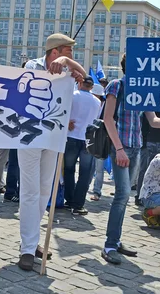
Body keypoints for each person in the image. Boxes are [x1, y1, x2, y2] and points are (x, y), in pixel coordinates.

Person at [101, 54, 160, 265]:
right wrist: (119, 149)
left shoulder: (143, 90)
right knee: (121, 195)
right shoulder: (116, 85)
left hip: (136, 148)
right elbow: (107, 119)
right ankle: (110, 244)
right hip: (119, 148)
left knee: (125, 196)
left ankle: (116, 240)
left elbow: (154, 120)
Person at [17, 33, 85, 271]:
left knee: (45, 190)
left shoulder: (65, 68)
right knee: (30, 192)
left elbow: (84, 74)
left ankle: (33, 239)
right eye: (68, 52)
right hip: (28, 136)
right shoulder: (32, 65)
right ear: (54, 52)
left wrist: (68, 64)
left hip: (54, 137)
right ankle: (27, 248)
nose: (72, 56)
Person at [64, 76, 101, 215]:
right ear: (91, 87)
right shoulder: (97, 102)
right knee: (85, 173)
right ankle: (78, 204)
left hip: (71, 136)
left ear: (80, 83)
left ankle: (69, 200)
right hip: (88, 139)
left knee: (68, 170)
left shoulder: (72, 95)